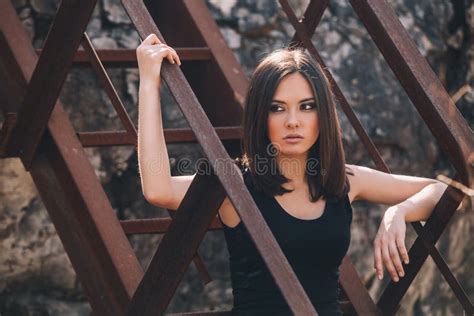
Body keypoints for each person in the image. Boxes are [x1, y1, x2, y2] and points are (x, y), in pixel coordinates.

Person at [136, 33, 448, 315]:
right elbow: (158, 188)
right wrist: (149, 84)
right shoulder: (237, 184)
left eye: (307, 106)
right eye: (278, 108)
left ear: (322, 114)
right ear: (261, 116)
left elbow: (442, 191)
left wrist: (399, 213)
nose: (293, 121)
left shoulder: (344, 181)